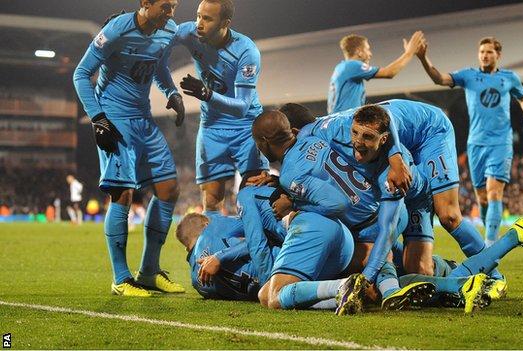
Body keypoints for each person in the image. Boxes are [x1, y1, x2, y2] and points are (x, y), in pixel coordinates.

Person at [279, 100, 506, 300]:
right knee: (418, 269)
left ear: (295, 131)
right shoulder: (321, 137)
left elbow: (384, 116)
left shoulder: (338, 128)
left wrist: (396, 157)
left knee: (449, 215)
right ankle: (449, 268)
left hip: (429, 133)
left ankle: (495, 277)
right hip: (399, 155)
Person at [251, 110, 434, 314]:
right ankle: (444, 278)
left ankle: (379, 290)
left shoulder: (291, 174)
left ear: (264, 143)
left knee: (372, 264)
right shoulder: (313, 134)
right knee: (400, 262)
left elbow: (338, 204)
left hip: (369, 223)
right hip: (383, 204)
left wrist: (294, 204)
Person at [73, 0, 186, 297]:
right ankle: (121, 278)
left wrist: (171, 92)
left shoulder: (168, 30)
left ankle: (148, 271)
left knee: (169, 188)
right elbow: (81, 74)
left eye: (174, 6)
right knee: (122, 193)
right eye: (165, 6)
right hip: (114, 119)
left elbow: (158, 65)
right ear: (145, 4)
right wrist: (98, 119)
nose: (171, 13)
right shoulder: (116, 30)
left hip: (143, 119)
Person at [416, 35, 523, 250]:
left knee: (494, 192)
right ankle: (489, 230)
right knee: (482, 198)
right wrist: (424, 59)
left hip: (501, 142)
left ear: (497, 55)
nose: (485, 55)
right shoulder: (468, 76)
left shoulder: (509, 78)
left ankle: (490, 245)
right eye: (482, 52)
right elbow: (440, 79)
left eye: (489, 52)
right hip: (476, 144)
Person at [173, 0, 269, 216]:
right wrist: (129, 28)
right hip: (212, 128)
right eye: (198, 15)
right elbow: (158, 40)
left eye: (207, 18)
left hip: (246, 128)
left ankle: (254, 248)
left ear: (225, 22)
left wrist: (207, 94)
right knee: (212, 201)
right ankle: (214, 248)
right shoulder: (190, 33)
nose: (199, 23)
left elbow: (242, 107)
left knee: (254, 199)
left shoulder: (246, 51)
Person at [400, 217, 523, 313]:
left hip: (427, 269)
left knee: (389, 289)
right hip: (438, 267)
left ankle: (462, 285)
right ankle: (465, 285)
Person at [328, 32, 423, 114]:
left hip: (337, 121)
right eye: (367, 49)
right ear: (359, 52)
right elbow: (389, 73)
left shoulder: (341, 67)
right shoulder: (353, 65)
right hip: (344, 123)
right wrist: (409, 52)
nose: (370, 54)